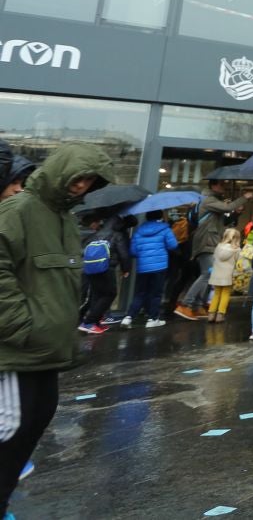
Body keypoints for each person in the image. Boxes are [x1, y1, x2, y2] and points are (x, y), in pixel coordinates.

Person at [0, 143, 112, 517]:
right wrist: (21, 326)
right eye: (78, 177)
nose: (82, 186)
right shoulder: (18, 210)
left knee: (32, 429)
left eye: (90, 181)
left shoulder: (65, 219)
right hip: (17, 351)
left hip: (49, 351)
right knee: (9, 436)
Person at [176, 181, 250, 320]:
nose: (224, 187)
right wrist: (244, 197)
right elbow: (227, 207)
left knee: (208, 275)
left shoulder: (212, 201)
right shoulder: (209, 200)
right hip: (206, 243)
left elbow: (222, 223)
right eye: (221, 185)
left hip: (209, 242)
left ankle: (197, 305)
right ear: (213, 186)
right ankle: (186, 305)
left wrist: (237, 213)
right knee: (206, 275)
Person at [124, 211, 179, 329]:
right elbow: (173, 245)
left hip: (142, 267)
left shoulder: (139, 231)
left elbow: (133, 251)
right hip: (159, 267)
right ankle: (153, 318)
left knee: (139, 294)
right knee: (156, 294)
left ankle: (128, 317)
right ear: (159, 217)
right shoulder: (165, 229)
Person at [77, 217, 123, 334]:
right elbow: (124, 253)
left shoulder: (94, 236)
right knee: (109, 294)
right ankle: (89, 322)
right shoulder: (116, 235)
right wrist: (126, 268)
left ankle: (94, 322)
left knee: (96, 295)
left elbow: (82, 251)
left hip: (89, 268)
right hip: (106, 268)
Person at [206, 228, 241, 323]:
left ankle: (211, 314)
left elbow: (214, 258)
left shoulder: (218, 247)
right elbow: (239, 262)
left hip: (216, 274)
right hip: (228, 276)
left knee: (216, 294)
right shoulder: (236, 249)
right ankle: (220, 315)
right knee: (225, 294)